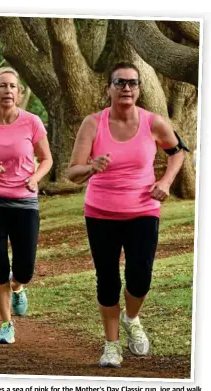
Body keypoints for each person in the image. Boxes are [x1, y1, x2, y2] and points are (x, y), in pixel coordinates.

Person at [66, 61, 187, 368]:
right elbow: (72, 172)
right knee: (107, 279)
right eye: (120, 83)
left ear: (139, 89)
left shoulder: (153, 122)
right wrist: (92, 166)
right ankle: (111, 345)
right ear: (108, 89)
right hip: (100, 212)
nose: (127, 88)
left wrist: (165, 181)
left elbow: (178, 151)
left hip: (143, 210)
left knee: (140, 276)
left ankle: (131, 317)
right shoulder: (92, 124)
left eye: (132, 83)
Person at [0, 67, 53, 344]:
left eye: (13, 86)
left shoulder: (32, 122)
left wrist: (35, 178)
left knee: (25, 267)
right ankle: (6, 324)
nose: (8, 91)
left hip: (25, 202)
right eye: (2, 86)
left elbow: (47, 159)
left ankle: (18, 288)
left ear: (19, 93)